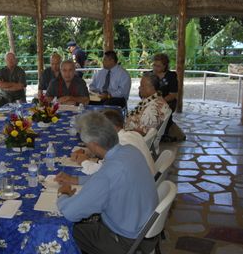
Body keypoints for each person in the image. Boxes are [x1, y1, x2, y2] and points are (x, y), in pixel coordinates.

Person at [55, 112, 158, 254]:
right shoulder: (129, 151)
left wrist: (64, 194)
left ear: (94, 145)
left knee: (71, 230)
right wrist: (75, 180)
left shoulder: (107, 174)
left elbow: (70, 212)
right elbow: (105, 179)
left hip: (126, 240)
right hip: (145, 230)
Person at [71, 109, 155, 175]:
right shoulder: (133, 134)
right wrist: (88, 151)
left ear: (112, 127)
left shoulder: (119, 144)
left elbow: (100, 172)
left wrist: (84, 161)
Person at [152, 53, 185, 141]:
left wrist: (159, 101)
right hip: (153, 101)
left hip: (168, 101)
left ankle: (162, 134)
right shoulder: (150, 75)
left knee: (162, 112)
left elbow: (173, 94)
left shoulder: (171, 76)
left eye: (158, 66)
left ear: (164, 66)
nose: (155, 67)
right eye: (154, 65)